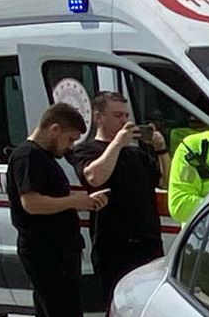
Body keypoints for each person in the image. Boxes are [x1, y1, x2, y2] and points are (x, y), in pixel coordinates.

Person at [8, 103, 109, 317]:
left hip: (53, 250)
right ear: (54, 129)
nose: (69, 147)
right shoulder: (28, 157)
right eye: (68, 139)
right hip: (45, 252)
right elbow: (31, 203)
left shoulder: (41, 158)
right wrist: (75, 202)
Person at [69, 92, 168, 306]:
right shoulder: (86, 150)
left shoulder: (136, 155)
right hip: (113, 244)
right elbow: (94, 178)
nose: (124, 121)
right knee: (117, 306)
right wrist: (116, 144)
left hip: (147, 241)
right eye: (117, 115)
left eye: (126, 116)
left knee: (150, 306)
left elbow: (165, 181)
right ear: (98, 117)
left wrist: (161, 149)